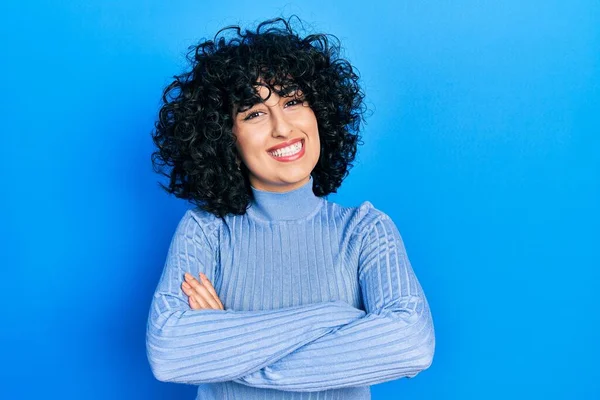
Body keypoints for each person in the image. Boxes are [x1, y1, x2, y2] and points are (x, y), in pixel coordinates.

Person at [146, 15, 435, 400]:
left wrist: (226, 344)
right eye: (254, 113)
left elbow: (410, 343)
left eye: (293, 101)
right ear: (225, 137)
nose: (282, 127)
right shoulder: (206, 230)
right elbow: (170, 353)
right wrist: (335, 318)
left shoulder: (366, 230)